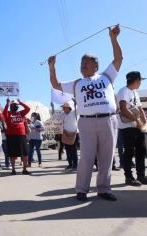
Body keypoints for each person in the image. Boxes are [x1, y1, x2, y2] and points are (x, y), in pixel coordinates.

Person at [48, 25, 123, 201]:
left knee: (107, 157)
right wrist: (52, 67)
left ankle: (104, 189)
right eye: (82, 63)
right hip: (86, 122)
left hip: (109, 120)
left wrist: (113, 38)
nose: (83, 66)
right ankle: (81, 190)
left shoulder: (106, 76)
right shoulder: (76, 83)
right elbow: (56, 84)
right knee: (86, 158)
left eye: (86, 62)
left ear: (96, 65)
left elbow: (119, 58)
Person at [117, 71, 147, 186]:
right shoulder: (123, 91)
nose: (140, 83)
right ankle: (128, 177)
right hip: (127, 127)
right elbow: (123, 109)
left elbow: (140, 108)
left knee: (141, 150)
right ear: (135, 80)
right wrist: (137, 120)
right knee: (129, 151)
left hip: (137, 126)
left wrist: (144, 121)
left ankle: (141, 175)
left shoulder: (135, 92)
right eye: (140, 80)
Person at [3, 98, 31, 175]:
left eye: (15, 105)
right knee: (12, 154)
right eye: (13, 105)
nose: (14, 106)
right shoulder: (8, 114)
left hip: (22, 136)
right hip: (11, 136)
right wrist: (7, 104)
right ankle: (13, 170)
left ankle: (24, 169)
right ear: (10, 106)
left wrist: (20, 102)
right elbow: (4, 114)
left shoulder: (21, 113)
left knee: (25, 154)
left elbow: (28, 109)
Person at [60, 102, 79, 171]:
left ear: (68, 108)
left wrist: (75, 102)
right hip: (65, 134)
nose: (63, 109)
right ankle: (70, 164)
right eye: (63, 108)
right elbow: (59, 122)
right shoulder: (62, 114)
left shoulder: (74, 112)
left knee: (73, 150)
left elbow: (78, 108)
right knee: (68, 150)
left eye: (64, 107)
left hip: (74, 133)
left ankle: (75, 165)